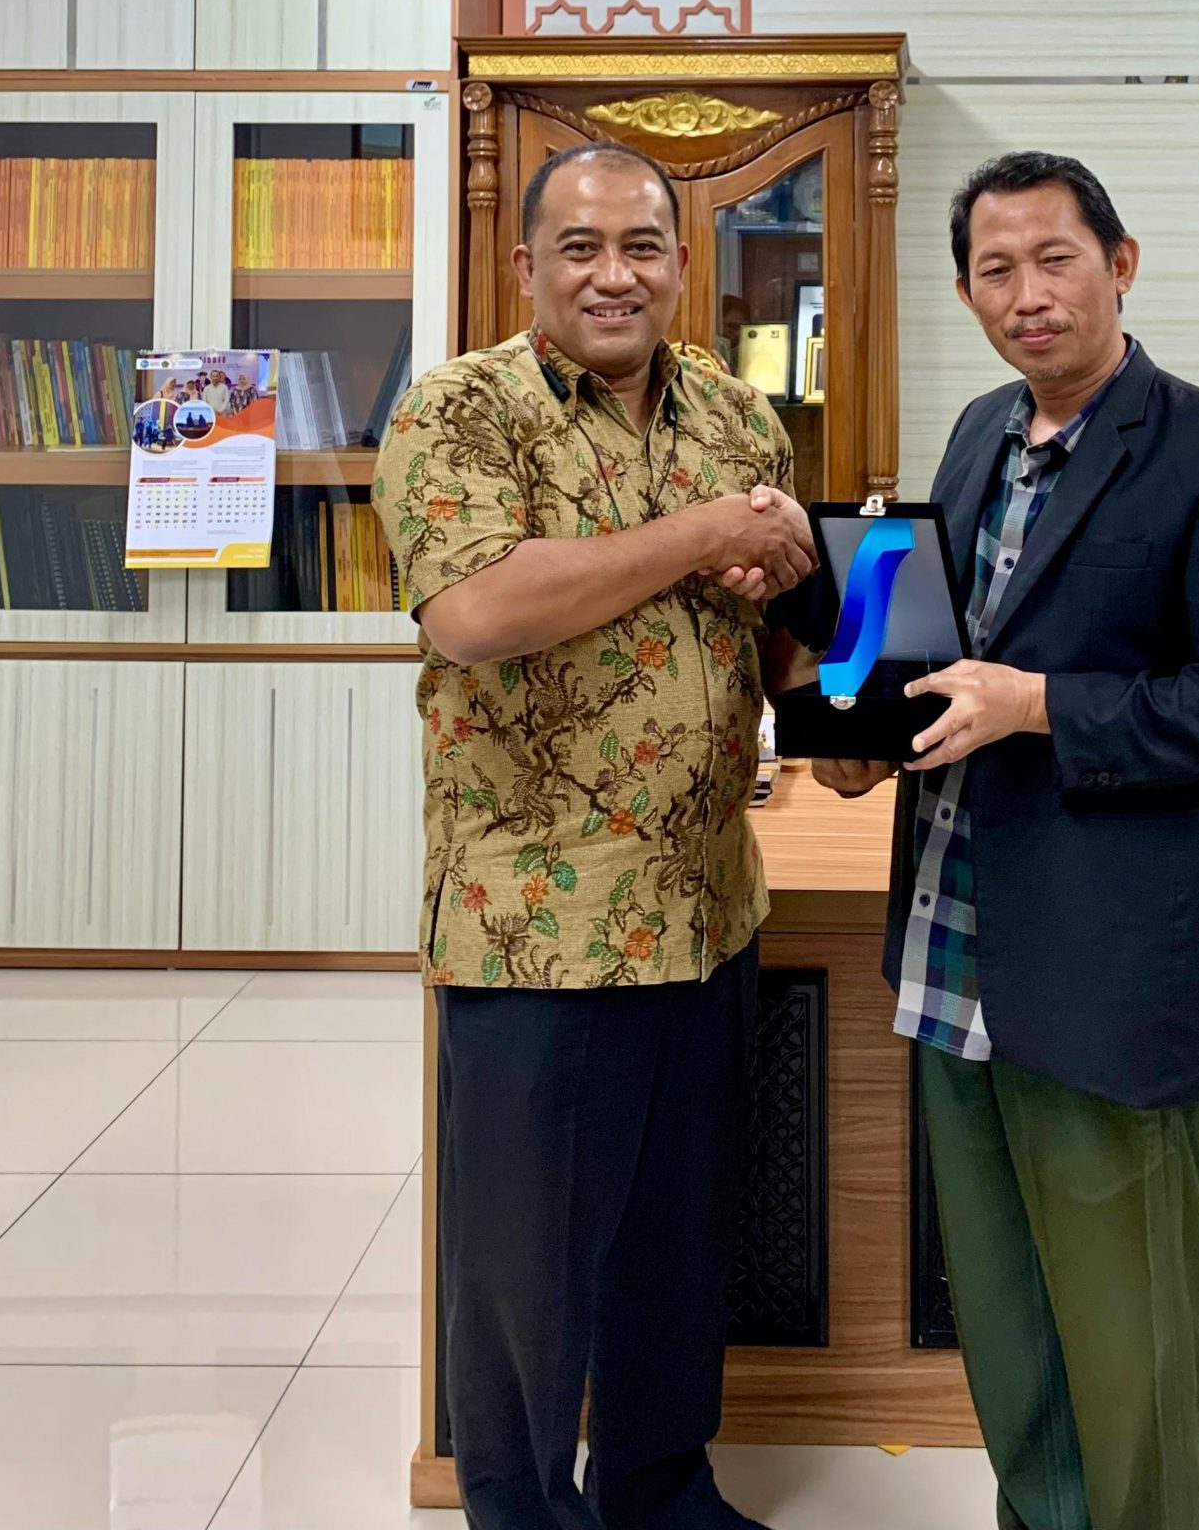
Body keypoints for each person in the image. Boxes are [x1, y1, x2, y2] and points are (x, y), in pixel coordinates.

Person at [815, 149, 1199, 1530]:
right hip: (950, 937)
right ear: (967, 291)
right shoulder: (977, 432)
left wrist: (1039, 705)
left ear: (1120, 264)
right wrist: (846, 713)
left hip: (1101, 956)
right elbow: (919, 648)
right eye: (996, 270)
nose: (1027, 295)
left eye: (1055, 260)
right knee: (1008, 1312)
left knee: (1131, 1326)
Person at [371, 140, 816, 1530]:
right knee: (528, 1283)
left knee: (674, 1257)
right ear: (527, 267)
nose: (613, 275)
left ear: (682, 263)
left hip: (706, 911)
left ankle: (660, 1495)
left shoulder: (739, 419)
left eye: (641, 246)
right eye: (580, 247)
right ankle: (521, 1517)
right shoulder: (461, 411)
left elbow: (777, 634)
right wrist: (702, 533)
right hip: (539, 932)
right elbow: (477, 612)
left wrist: (843, 668)